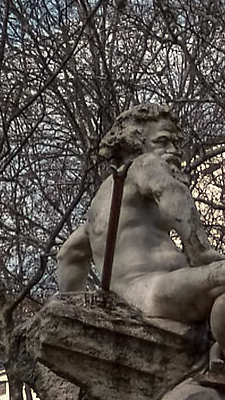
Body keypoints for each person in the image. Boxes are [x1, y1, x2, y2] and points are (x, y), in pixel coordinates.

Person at [55, 105, 225, 330]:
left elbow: (69, 255)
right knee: (219, 275)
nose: (174, 150)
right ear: (135, 145)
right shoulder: (144, 163)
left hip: (134, 296)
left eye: (176, 143)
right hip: (156, 290)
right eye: (162, 141)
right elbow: (170, 191)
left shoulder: (100, 207)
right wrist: (200, 251)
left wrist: (73, 304)